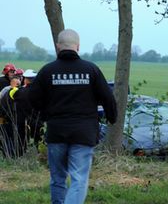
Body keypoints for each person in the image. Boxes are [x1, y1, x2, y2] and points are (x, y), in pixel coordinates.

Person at [28, 29, 117, 204]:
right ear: (78, 46)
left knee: (58, 179)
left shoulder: (47, 71)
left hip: (56, 132)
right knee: (79, 179)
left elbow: (32, 99)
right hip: (84, 134)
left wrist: (46, 114)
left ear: (58, 46)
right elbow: (108, 97)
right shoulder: (91, 70)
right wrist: (111, 117)